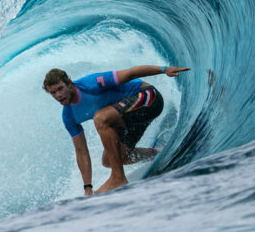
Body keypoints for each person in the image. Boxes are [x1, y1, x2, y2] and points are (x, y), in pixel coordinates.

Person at [43, 65, 190, 194]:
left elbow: (131, 73)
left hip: (148, 98)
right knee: (109, 160)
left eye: (60, 89)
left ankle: (118, 177)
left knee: (100, 118)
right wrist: (88, 188)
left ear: (69, 84)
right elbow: (81, 151)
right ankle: (155, 153)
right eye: (53, 93)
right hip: (130, 118)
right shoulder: (69, 116)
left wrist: (164, 70)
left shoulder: (91, 83)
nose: (58, 95)